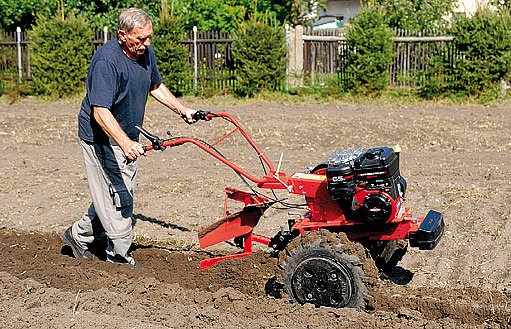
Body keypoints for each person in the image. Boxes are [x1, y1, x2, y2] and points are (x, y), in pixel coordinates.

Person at [61, 7, 197, 266]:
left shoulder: (145, 52)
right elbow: (100, 112)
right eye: (140, 39)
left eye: (149, 38)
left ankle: (78, 235)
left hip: (125, 136)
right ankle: (119, 257)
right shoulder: (106, 62)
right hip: (101, 138)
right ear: (122, 35)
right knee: (120, 197)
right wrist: (124, 143)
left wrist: (183, 110)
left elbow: (154, 85)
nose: (146, 44)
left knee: (113, 192)